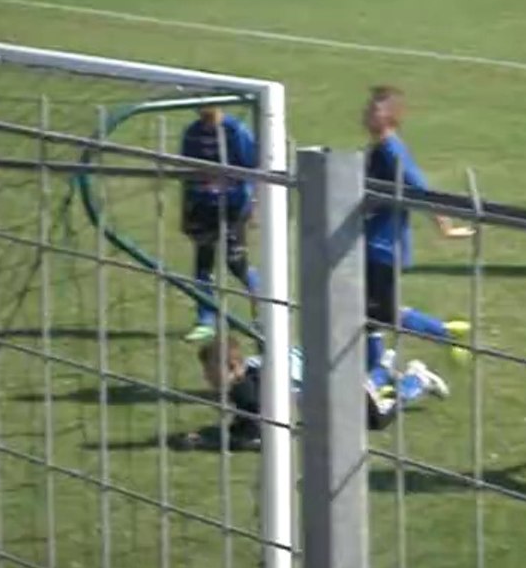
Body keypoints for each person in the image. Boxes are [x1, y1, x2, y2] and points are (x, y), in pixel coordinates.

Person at [363, 85, 474, 367]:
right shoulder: (378, 150)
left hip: (383, 247)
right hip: (370, 243)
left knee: (378, 313)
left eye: (374, 109)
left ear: (389, 116)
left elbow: (420, 189)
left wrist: (444, 226)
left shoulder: (391, 151)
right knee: (368, 312)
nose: (366, 113)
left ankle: (443, 333)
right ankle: (375, 374)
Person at [179, 333, 449, 449]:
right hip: (328, 374)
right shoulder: (251, 369)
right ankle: (383, 369)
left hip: (335, 385)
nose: (206, 377)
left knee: (377, 420)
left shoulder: (244, 388)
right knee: (368, 402)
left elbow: (252, 432)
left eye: (210, 371)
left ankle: (415, 379)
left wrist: (210, 439)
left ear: (233, 367)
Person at [180, 105, 260, 343]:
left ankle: (262, 312)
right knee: (203, 264)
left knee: (236, 263)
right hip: (202, 205)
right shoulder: (192, 133)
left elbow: (253, 170)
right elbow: (186, 174)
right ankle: (205, 320)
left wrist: (253, 206)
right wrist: (185, 210)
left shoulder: (236, 131)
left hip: (233, 206)